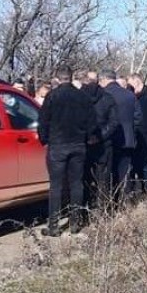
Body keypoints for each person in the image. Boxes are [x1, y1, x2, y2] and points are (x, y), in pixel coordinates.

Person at [37, 69, 97, 237]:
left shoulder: (52, 97)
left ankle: (54, 226)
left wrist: (44, 140)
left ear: (57, 78)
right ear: (71, 79)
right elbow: (92, 123)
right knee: (76, 183)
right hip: (78, 144)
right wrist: (87, 137)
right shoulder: (83, 97)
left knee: (56, 186)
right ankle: (75, 222)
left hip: (57, 145)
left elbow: (43, 121)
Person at [81, 72, 119, 212]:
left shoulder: (79, 97)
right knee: (103, 180)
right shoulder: (108, 97)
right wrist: (101, 136)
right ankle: (102, 211)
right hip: (104, 144)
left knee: (84, 178)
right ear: (98, 81)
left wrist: (86, 137)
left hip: (84, 143)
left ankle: (84, 210)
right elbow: (114, 122)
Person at [99, 70, 136, 207]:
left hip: (110, 139)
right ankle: (126, 201)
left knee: (108, 174)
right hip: (128, 139)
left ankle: (111, 203)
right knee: (125, 171)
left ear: (103, 80)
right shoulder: (129, 95)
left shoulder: (104, 95)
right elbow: (138, 117)